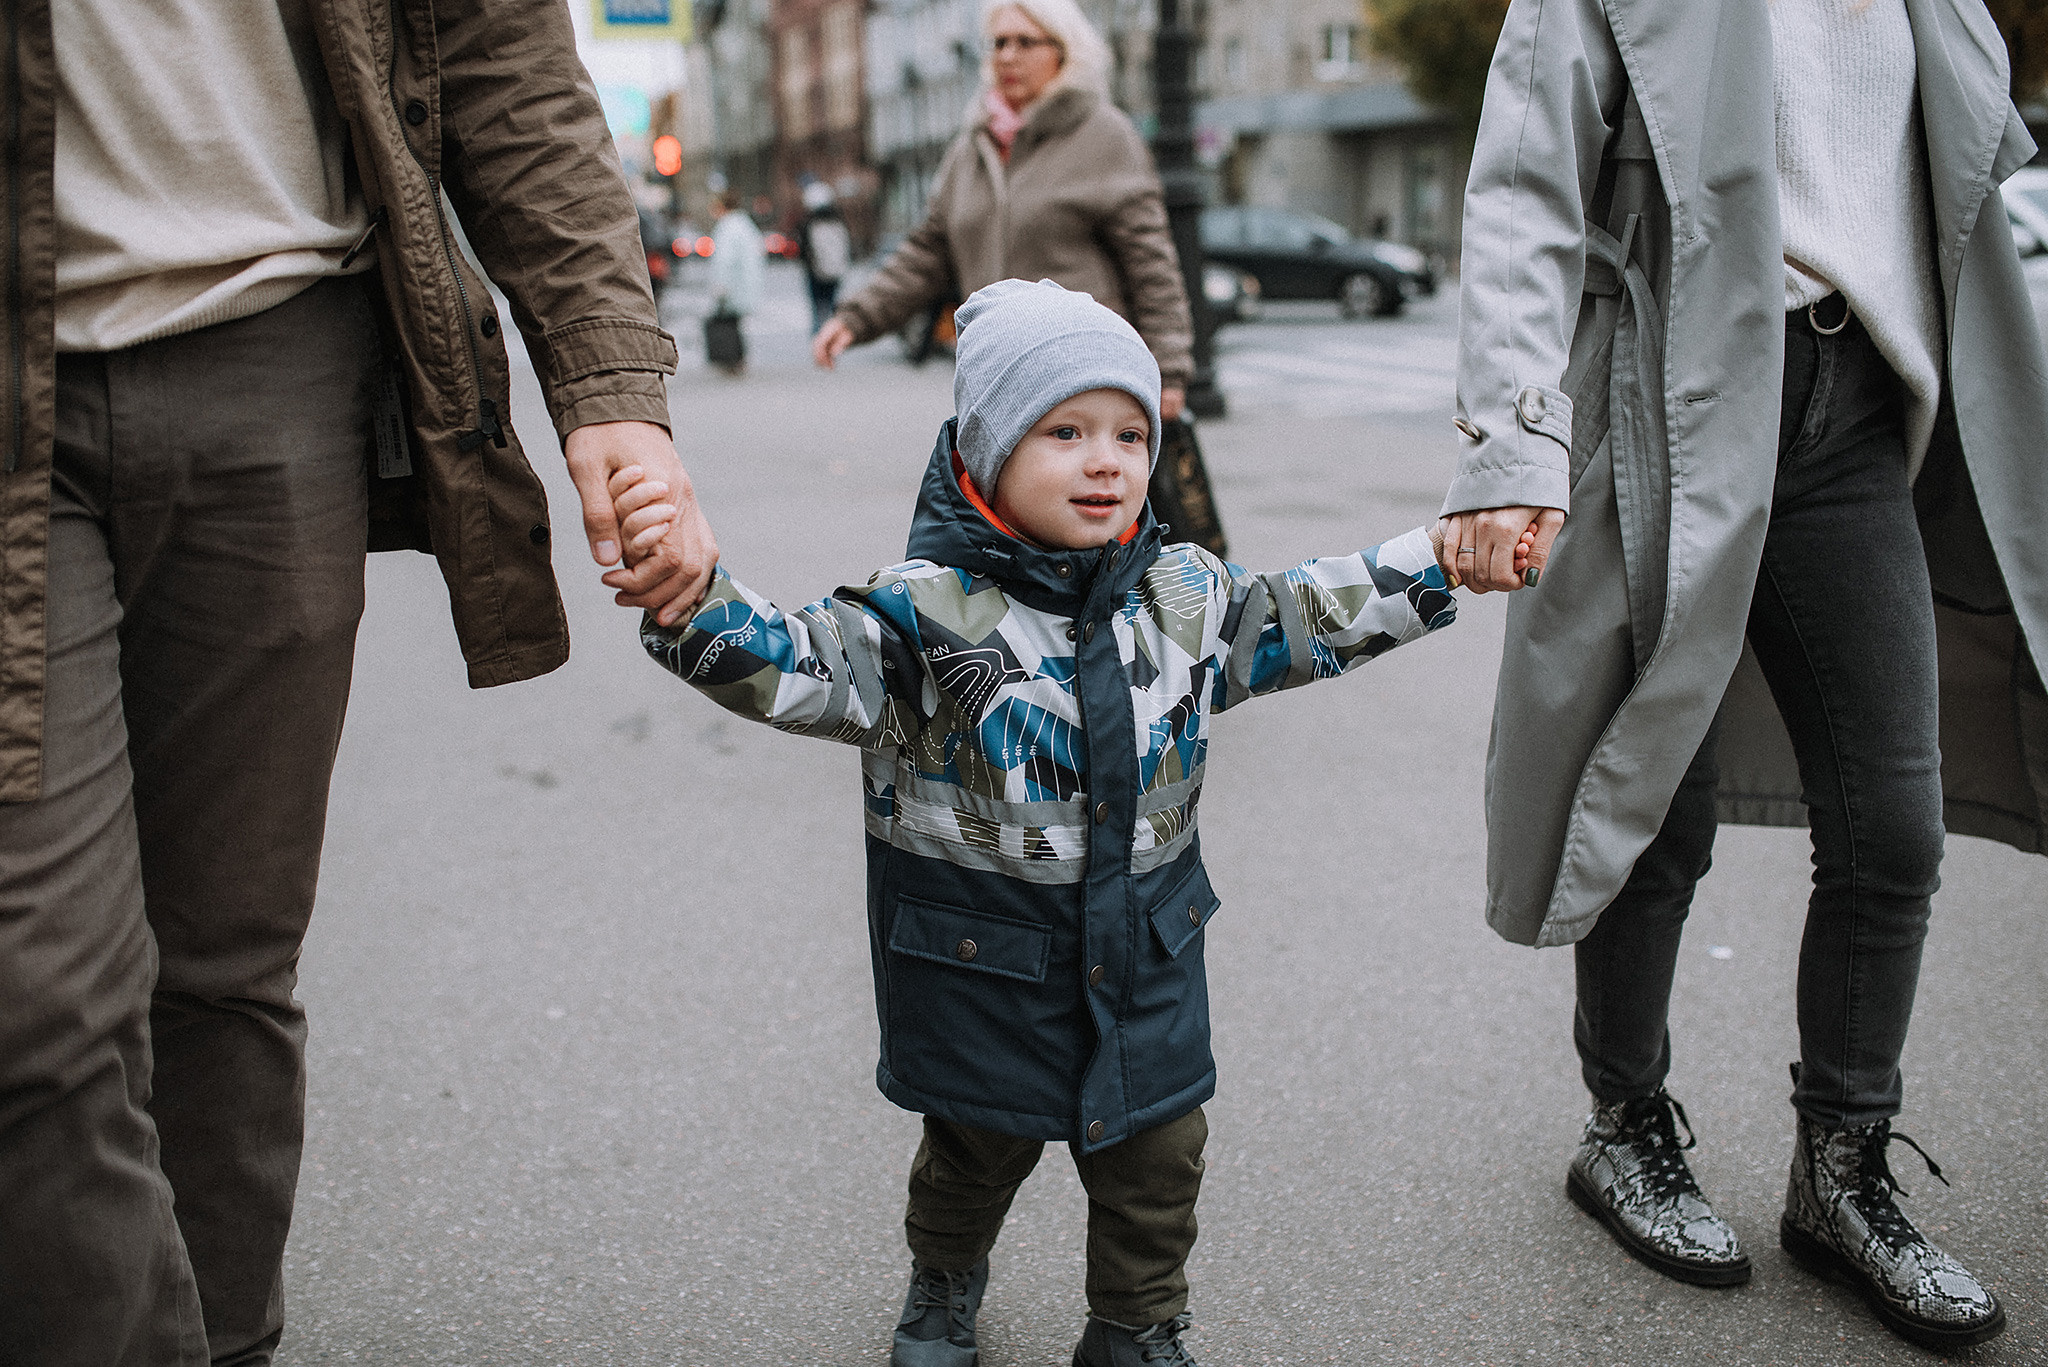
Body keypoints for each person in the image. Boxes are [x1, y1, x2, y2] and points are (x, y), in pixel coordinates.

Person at [0, 1, 717, 1363]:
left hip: (278, 349)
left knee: (223, 962)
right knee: (33, 997)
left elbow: (501, 54)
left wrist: (611, 387)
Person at [618, 280, 1463, 1367]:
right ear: (987, 452)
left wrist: (1441, 556)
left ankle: (1134, 1324)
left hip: (1146, 950)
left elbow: (1308, 612)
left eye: (1128, 433)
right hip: (983, 962)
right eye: (1063, 432)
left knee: (1160, 1158)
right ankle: (943, 1276)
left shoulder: (1188, 595)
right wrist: (691, 602)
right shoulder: (921, 615)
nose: (1105, 460)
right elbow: (800, 664)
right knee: (972, 1152)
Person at [1439, 0, 2047, 1351]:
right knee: (1654, 798)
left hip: (1858, 408)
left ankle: (1841, 1168)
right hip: (1672, 390)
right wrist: (1511, 448)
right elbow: (1524, 185)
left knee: (1893, 824)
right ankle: (1622, 1123)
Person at [811, 0, 1194, 423]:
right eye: (999, 43)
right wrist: (856, 318)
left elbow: (1150, 264)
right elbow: (927, 252)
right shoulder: (972, 145)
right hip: (995, 382)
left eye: (1025, 42)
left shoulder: (1104, 135)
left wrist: (1168, 372)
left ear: (1064, 51)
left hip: (1083, 377)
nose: (1008, 56)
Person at [706, 191, 765, 374]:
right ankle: (737, 358)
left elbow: (725, 260)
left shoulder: (727, 227)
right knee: (735, 323)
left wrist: (721, 285)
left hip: (732, 286)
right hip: (744, 284)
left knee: (729, 323)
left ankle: (732, 359)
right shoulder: (745, 224)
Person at [798, 179, 854, 334]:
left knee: (817, 310)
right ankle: (832, 335)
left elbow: (803, 251)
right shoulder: (839, 221)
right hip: (835, 271)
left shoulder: (809, 224)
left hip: (815, 273)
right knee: (831, 306)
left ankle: (820, 338)